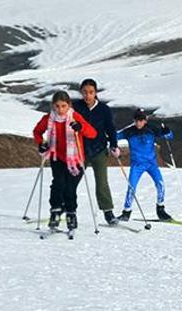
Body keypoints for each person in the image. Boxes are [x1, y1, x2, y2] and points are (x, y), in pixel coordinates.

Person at [32, 90, 97, 231]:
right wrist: (41, 143)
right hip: (57, 157)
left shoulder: (74, 117)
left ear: (69, 105)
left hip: (75, 158)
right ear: (53, 106)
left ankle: (71, 213)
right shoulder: (48, 118)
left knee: (70, 188)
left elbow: (92, 133)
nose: (60, 110)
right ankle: (55, 211)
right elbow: (37, 131)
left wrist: (80, 127)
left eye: (63, 106)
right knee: (58, 183)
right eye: (57, 106)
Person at [73, 78, 120, 225]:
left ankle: (108, 213)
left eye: (91, 92)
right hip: (80, 150)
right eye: (85, 92)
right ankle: (66, 209)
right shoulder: (75, 107)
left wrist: (114, 144)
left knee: (102, 182)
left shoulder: (104, 109)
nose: (88, 95)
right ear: (81, 92)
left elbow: (110, 128)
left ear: (96, 93)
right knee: (72, 181)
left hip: (99, 149)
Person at [115, 109, 174, 222]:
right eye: (136, 120)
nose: (138, 123)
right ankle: (126, 213)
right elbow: (115, 136)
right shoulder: (129, 132)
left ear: (145, 121)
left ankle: (160, 210)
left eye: (141, 120)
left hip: (151, 164)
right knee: (131, 187)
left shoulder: (151, 129)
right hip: (137, 165)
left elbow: (169, 136)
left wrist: (167, 131)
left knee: (160, 184)